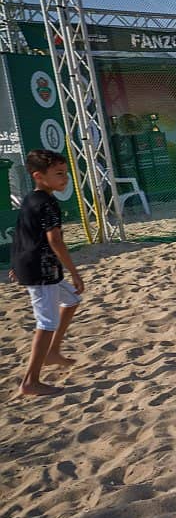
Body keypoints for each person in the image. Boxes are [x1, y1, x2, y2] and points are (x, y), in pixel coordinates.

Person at [8, 150, 84, 397]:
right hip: (41, 271)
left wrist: (15, 266)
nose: (66, 179)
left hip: (40, 267)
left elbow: (22, 235)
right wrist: (74, 272)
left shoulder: (31, 199)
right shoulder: (47, 203)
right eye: (59, 174)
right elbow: (56, 241)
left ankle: (53, 352)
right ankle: (30, 381)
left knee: (72, 300)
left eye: (66, 173)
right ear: (39, 176)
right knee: (46, 323)